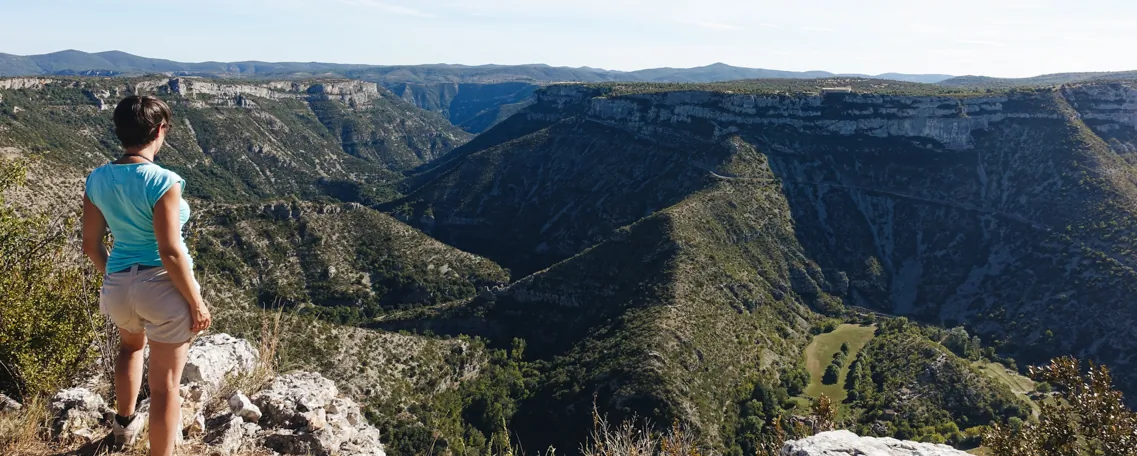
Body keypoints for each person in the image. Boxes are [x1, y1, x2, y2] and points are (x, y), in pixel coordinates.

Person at [82, 95, 212, 455]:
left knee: (130, 347)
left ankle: (123, 427)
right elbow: (170, 251)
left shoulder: (97, 179)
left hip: (118, 285)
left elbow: (91, 244)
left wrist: (119, 278)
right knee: (166, 387)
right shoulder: (163, 181)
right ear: (160, 130)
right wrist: (196, 303)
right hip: (162, 288)